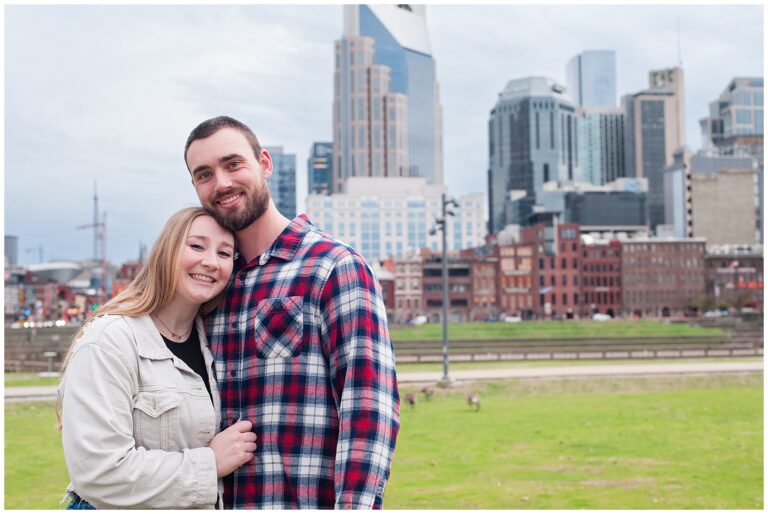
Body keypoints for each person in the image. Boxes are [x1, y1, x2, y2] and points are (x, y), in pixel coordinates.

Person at [184, 116, 400, 509]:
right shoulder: (207, 286)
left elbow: (369, 411)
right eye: (204, 174)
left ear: (264, 164)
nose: (222, 183)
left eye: (233, 164)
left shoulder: (334, 267)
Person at [58, 207, 258, 509]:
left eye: (224, 253)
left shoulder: (214, 342)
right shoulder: (110, 339)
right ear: (166, 251)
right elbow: (98, 473)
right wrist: (211, 463)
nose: (210, 262)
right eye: (196, 246)